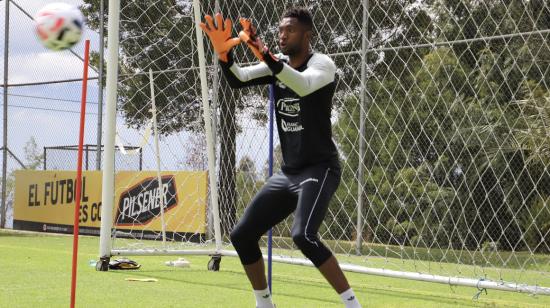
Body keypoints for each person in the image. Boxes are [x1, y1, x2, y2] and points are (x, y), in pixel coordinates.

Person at [200, 8, 362, 308]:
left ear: (307, 35)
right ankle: (264, 303)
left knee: (303, 236)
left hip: (320, 168)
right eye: (280, 30)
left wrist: (265, 53)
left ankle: (352, 304)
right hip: (289, 173)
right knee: (242, 235)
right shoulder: (278, 63)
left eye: (289, 30)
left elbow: (302, 85)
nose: (282, 35)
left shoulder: (323, 65)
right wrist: (224, 55)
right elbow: (239, 78)